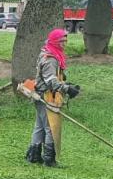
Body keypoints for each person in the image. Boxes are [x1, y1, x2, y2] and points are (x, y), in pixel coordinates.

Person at [25, 28, 79, 167]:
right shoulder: (50, 59)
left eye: (65, 40)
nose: (64, 43)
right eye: (61, 41)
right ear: (55, 41)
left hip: (41, 93)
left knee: (40, 126)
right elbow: (51, 82)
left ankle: (34, 156)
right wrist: (67, 89)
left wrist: (66, 83)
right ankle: (49, 160)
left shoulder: (48, 52)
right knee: (50, 127)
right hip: (46, 95)